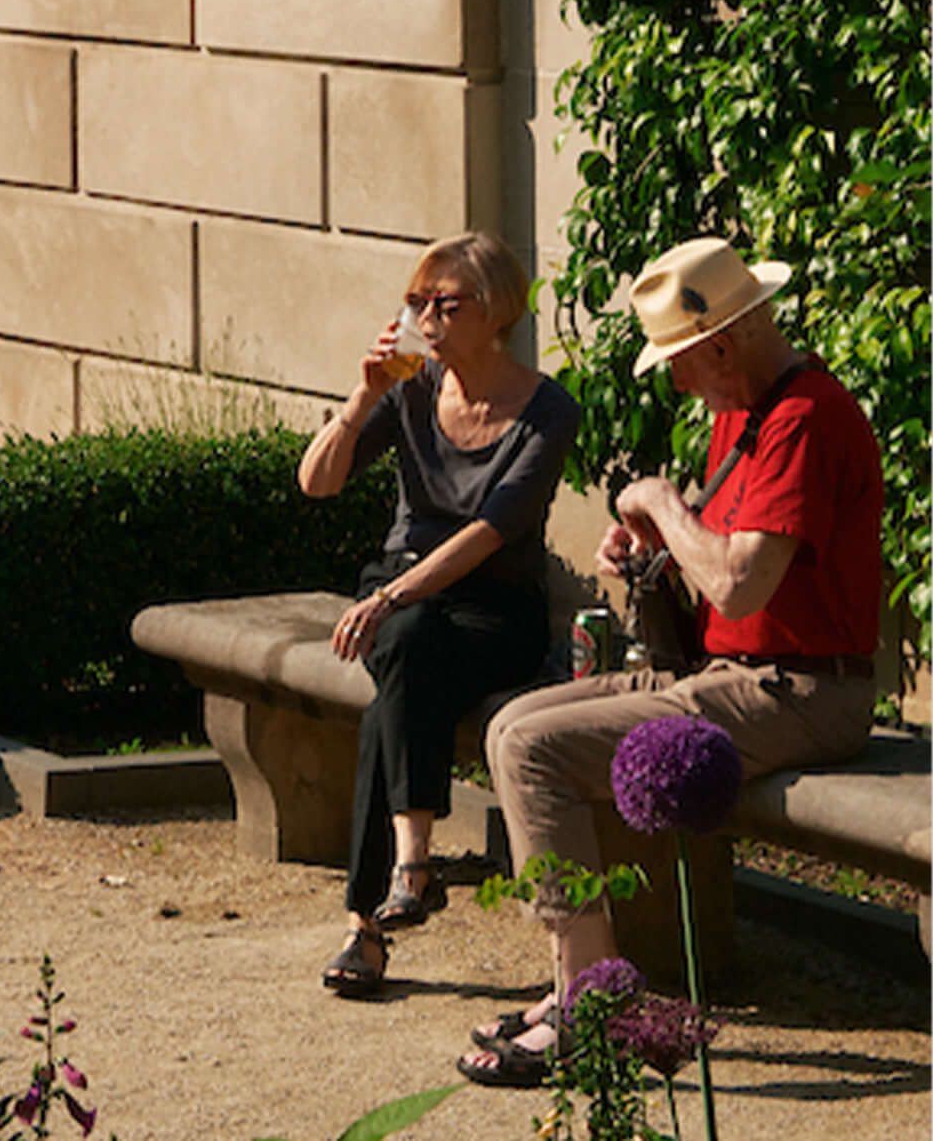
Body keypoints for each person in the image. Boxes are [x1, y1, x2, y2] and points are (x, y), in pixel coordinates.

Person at [460, 237, 884, 1092]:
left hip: (804, 692)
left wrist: (660, 501)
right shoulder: (745, 411)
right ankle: (579, 979)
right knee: (510, 725)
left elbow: (737, 582)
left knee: (536, 751)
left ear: (721, 346)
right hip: (731, 675)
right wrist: (653, 546)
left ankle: (592, 1002)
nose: (677, 384)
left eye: (678, 363)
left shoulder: (804, 418)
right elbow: (720, 571)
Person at [296, 234, 575, 999]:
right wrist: (360, 400)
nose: (424, 320)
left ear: (496, 311)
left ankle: (369, 918)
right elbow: (317, 482)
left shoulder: (548, 411)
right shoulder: (410, 387)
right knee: (408, 649)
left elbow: (489, 532)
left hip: (495, 607)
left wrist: (390, 599)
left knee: (399, 665)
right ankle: (408, 870)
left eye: (444, 304)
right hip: (403, 597)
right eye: (416, 302)